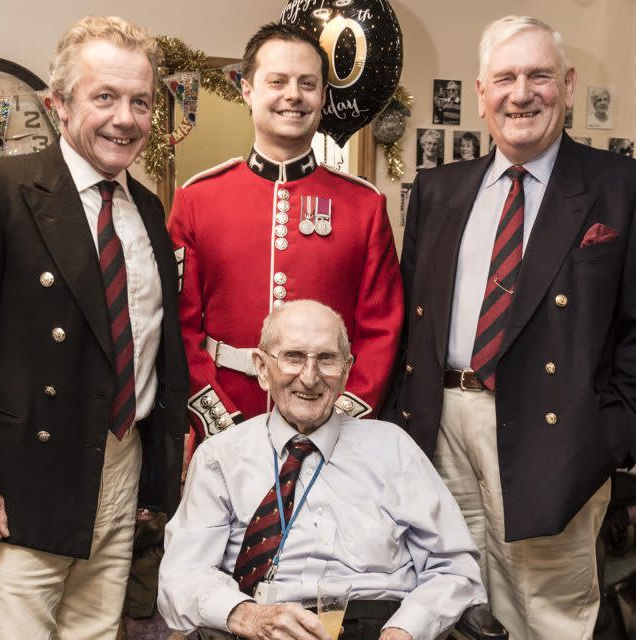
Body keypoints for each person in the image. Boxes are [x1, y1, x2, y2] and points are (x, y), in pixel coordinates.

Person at [386, 14, 636, 640]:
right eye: (505, 78)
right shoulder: (438, 189)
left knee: (547, 610)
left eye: (539, 76)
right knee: (451, 596)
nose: (521, 93)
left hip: (557, 432)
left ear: (569, 86)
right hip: (441, 422)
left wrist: (611, 431)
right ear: (481, 93)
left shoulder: (618, 187)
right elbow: (409, 317)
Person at [0, 16, 189, 639]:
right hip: (25, 485)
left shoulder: (150, 209)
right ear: (59, 106)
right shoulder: (8, 192)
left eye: (139, 101)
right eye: (104, 97)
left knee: (96, 632)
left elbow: (156, 345)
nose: (124, 118)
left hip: (120, 474)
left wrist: (155, 478)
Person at [158, 300, 486, 640]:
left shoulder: (394, 448)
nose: (310, 377)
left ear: (346, 371)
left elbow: (455, 569)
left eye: (326, 359)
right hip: (264, 627)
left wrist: (407, 628)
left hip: (377, 623)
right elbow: (182, 575)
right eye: (293, 357)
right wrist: (248, 617)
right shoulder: (220, 457)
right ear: (261, 367)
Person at [167, 23, 402, 443]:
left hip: (332, 433)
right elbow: (180, 328)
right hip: (227, 421)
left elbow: (381, 331)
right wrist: (220, 422)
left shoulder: (364, 206)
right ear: (247, 90)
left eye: (307, 83)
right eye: (277, 81)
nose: (293, 95)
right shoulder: (197, 199)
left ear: (323, 97)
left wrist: (338, 424)